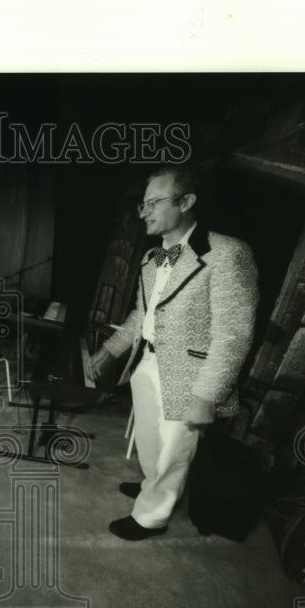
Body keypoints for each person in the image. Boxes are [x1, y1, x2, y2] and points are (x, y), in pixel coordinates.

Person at [89, 167, 259, 541]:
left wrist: (206, 397)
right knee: (151, 440)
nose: (144, 212)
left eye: (154, 202)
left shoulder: (228, 253)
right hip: (146, 362)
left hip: (189, 375)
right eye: (142, 204)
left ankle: (152, 517)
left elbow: (234, 335)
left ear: (186, 202)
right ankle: (156, 484)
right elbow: (141, 316)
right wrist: (107, 352)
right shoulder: (152, 258)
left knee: (172, 450)